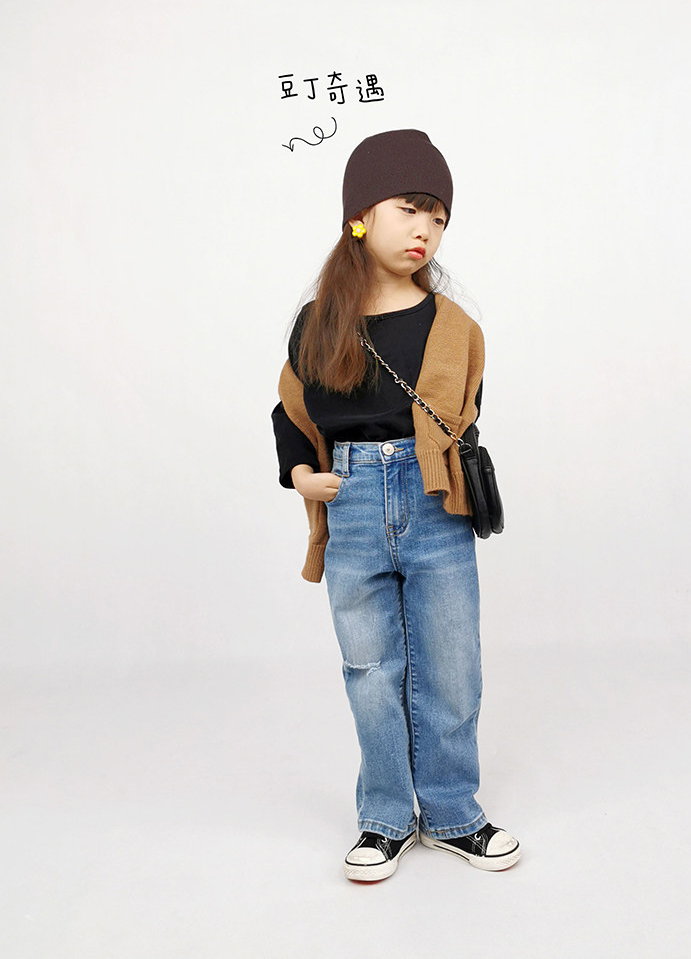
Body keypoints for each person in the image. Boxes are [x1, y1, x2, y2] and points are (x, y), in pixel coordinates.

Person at [272, 129, 520, 882]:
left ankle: (452, 812)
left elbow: (464, 419)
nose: (425, 230)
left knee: (452, 663)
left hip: (435, 500)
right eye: (409, 209)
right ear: (359, 215)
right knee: (370, 667)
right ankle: (383, 816)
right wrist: (300, 474)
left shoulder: (455, 328)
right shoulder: (319, 321)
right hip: (350, 501)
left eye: (438, 218)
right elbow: (291, 411)